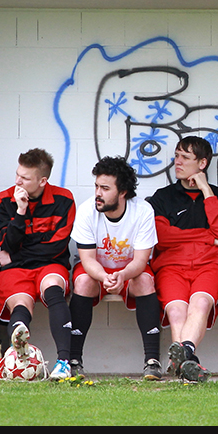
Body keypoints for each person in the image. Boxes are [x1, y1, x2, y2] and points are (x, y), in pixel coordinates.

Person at [148, 136, 218, 382]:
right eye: (176, 155)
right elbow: (161, 236)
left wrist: (206, 190)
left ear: (202, 163)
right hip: (171, 266)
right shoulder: (163, 196)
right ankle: (189, 361)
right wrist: (208, 237)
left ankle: (183, 356)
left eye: (185, 157)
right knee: (177, 310)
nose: (177, 162)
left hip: (210, 266)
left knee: (200, 304)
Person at [68, 156, 161, 380]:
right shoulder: (86, 210)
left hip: (129, 270)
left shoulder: (143, 211)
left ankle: (152, 361)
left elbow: (141, 261)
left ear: (123, 192)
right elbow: (87, 260)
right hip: (97, 271)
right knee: (83, 281)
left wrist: (122, 274)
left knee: (145, 280)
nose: (98, 193)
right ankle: (73, 360)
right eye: (96, 186)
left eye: (105, 188)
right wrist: (104, 276)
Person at [0, 148, 75, 380]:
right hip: (17, 270)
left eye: (25, 178)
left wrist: (15, 257)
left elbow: (56, 247)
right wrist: (20, 211)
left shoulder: (64, 199)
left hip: (49, 265)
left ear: (42, 181)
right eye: (17, 175)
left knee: (53, 290)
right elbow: (7, 243)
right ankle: (19, 356)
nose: (17, 181)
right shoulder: (3, 200)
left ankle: (64, 363)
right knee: (21, 304)